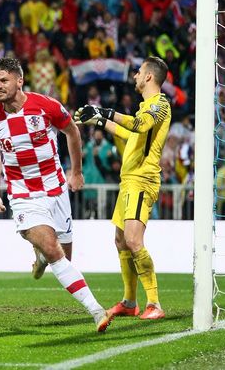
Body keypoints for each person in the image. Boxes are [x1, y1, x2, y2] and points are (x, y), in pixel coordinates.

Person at [0, 57, 112, 333]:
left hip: (55, 190)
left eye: (4, 80)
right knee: (55, 252)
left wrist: (76, 172)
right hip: (23, 196)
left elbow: (72, 132)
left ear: (19, 80)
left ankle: (40, 256)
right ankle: (96, 310)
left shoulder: (46, 106)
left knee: (64, 257)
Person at [74, 56, 171, 321]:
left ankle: (155, 303)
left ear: (149, 76)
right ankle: (130, 302)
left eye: (139, 72)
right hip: (128, 180)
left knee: (133, 240)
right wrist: (97, 119)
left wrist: (106, 112)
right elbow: (131, 134)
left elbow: (139, 126)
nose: (136, 76)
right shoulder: (145, 106)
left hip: (143, 179)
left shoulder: (160, 105)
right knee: (120, 241)